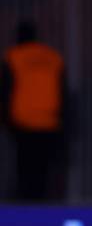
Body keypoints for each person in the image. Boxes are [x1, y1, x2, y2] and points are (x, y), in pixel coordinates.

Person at [0, 20, 66, 201]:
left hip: (22, 121)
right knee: (43, 167)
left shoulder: (13, 57)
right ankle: (42, 202)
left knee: (24, 166)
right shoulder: (53, 57)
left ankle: (25, 203)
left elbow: (6, 90)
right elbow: (63, 91)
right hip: (49, 121)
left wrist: (6, 120)